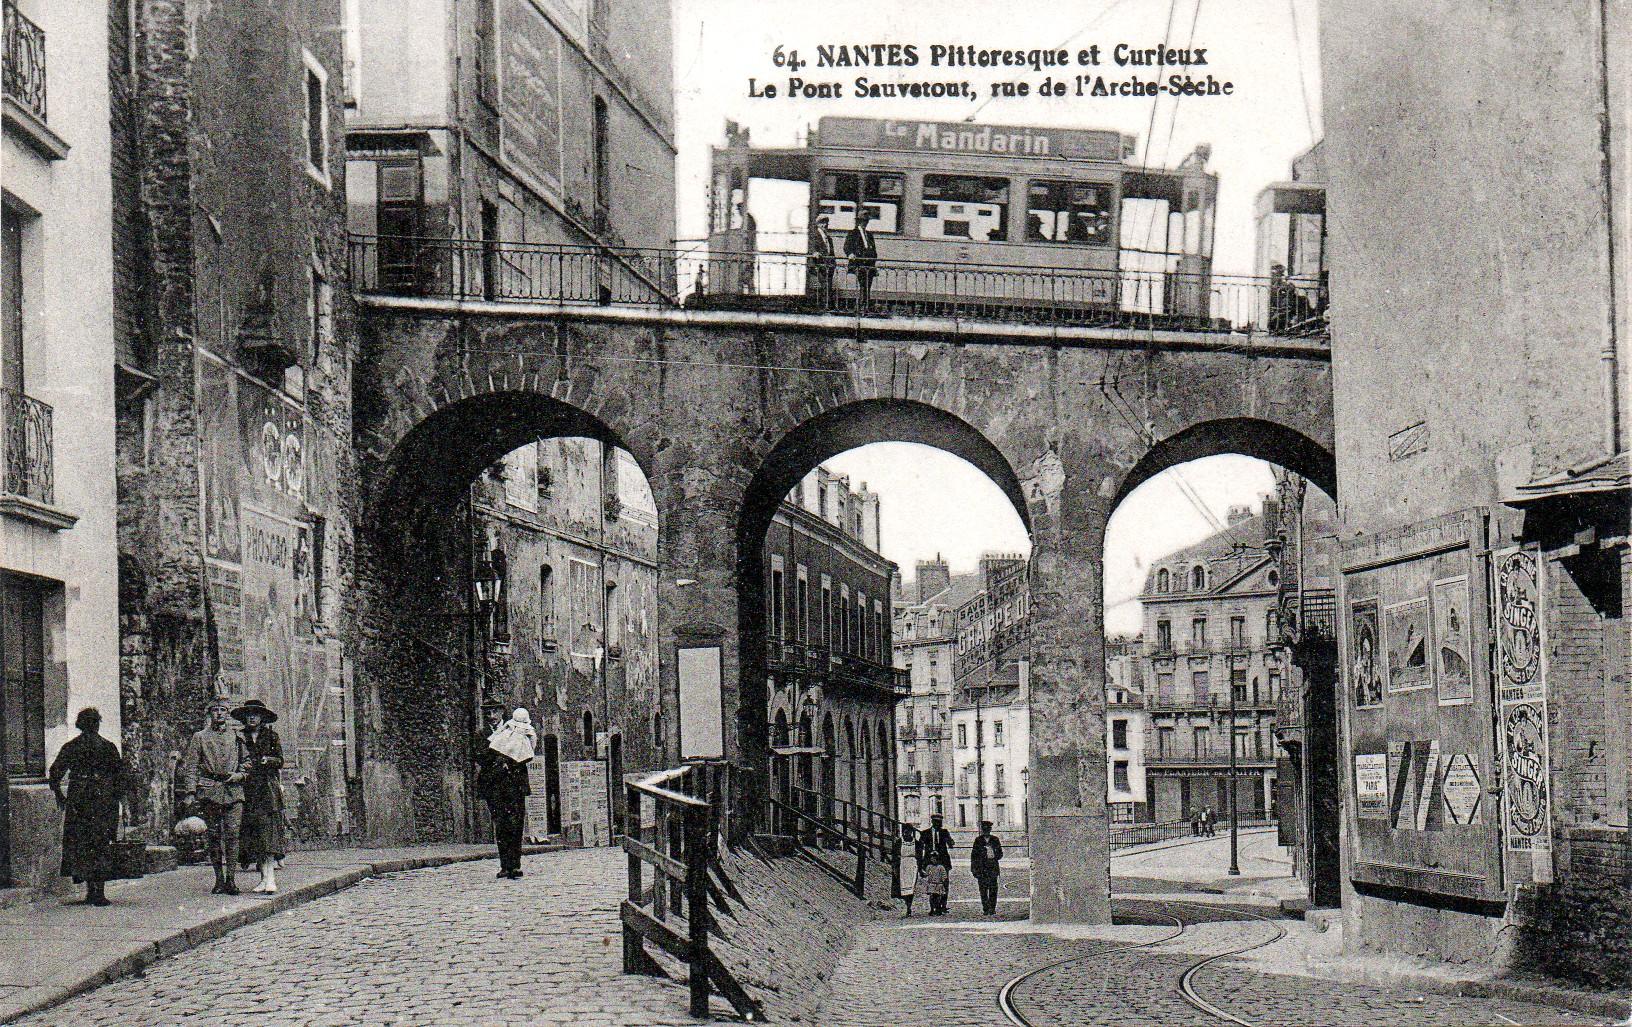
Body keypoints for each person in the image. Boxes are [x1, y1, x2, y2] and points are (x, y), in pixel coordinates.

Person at [48, 708, 125, 906]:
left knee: (82, 842)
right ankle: (98, 892)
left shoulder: (71, 746)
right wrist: (119, 802)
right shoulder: (108, 747)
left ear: (79, 725)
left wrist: (61, 796)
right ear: (97, 724)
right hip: (102, 798)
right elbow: (120, 777)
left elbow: (55, 773)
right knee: (100, 841)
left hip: (79, 798)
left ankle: (92, 891)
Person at [181, 695, 247, 895]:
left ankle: (231, 879)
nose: (219, 713)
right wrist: (190, 792)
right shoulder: (199, 737)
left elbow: (247, 762)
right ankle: (219, 879)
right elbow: (191, 767)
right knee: (214, 835)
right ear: (209, 714)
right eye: (215, 710)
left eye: (223, 710)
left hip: (233, 791)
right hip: (210, 791)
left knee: (233, 835)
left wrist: (239, 774)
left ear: (228, 714)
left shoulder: (237, 737)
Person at [233, 699, 285, 894]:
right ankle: (263, 878)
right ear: (244, 718)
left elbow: (280, 760)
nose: (252, 717)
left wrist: (268, 759)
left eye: (256, 714)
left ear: (262, 717)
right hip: (247, 790)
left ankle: (271, 878)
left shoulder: (272, 736)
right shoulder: (239, 738)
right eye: (249, 714)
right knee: (254, 835)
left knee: (268, 834)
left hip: (266, 790)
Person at [485, 707, 535, 879]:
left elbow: (528, 752)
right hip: (498, 786)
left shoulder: (525, 734)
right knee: (502, 826)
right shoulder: (504, 732)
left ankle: (515, 864)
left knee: (516, 825)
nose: (491, 715)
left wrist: (512, 761)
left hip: (516, 786)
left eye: (494, 711)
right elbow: (485, 754)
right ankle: (505, 865)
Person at [915, 813, 954, 915]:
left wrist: (949, 841)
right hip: (929, 862)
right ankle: (934, 907)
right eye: (936, 822)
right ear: (932, 822)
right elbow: (919, 848)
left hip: (943, 861)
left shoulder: (944, 832)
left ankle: (943, 906)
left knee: (944, 883)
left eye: (940, 822)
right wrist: (921, 865)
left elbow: (951, 845)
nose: (938, 824)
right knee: (932, 883)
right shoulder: (925, 833)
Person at [844, 208, 879, 312]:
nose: (865, 223)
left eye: (866, 221)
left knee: (867, 286)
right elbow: (847, 246)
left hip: (869, 265)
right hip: (858, 264)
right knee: (864, 285)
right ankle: (862, 307)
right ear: (858, 221)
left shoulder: (869, 235)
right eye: (863, 221)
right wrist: (850, 254)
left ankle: (864, 306)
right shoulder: (853, 233)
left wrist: (873, 263)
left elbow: (874, 251)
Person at [970, 820, 1004, 916]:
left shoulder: (995, 840)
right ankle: (985, 908)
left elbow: (1000, 854)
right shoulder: (978, 840)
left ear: (990, 829)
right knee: (983, 889)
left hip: (992, 868)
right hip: (982, 869)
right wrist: (974, 869)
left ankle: (992, 908)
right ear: (982, 829)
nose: (986, 831)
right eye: (984, 829)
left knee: (993, 889)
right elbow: (974, 856)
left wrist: (993, 852)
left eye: (988, 829)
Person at [808, 214, 837, 310]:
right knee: (825, 286)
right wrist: (814, 252)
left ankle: (826, 306)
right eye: (822, 223)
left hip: (829, 266)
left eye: (826, 223)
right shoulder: (815, 235)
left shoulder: (828, 238)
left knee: (828, 286)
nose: (825, 225)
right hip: (820, 264)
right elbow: (812, 246)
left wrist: (834, 263)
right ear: (818, 224)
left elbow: (831, 251)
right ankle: (826, 307)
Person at [900, 825, 919, 916]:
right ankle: (906, 905)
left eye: (909, 831)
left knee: (911, 887)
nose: (907, 833)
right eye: (905, 831)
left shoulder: (916, 842)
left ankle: (909, 907)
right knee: (903, 886)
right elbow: (895, 855)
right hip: (902, 865)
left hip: (913, 865)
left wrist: (920, 867)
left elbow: (919, 856)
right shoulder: (899, 842)